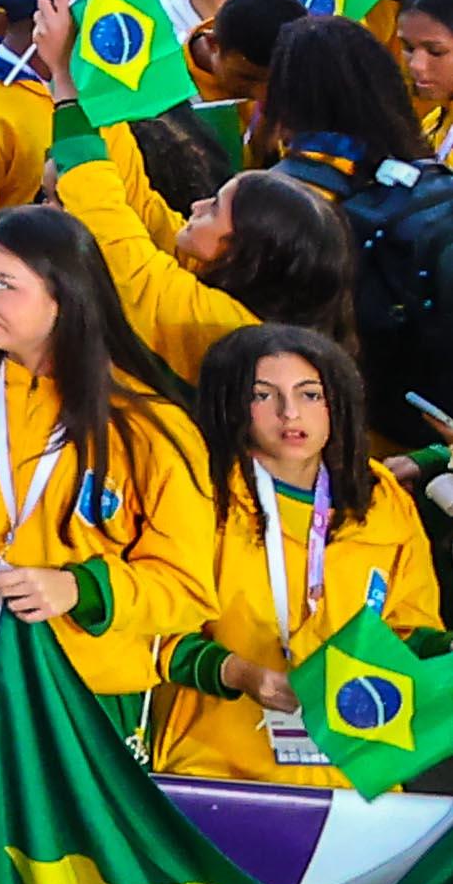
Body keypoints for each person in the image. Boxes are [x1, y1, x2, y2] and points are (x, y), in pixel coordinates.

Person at [0, 202, 215, 706]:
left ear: (64, 295)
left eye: (0, 284)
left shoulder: (148, 428)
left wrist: (79, 589)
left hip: (78, 691)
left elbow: (186, 587)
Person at [152, 322, 440, 785]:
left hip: (353, 773)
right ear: (229, 404)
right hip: (214, 767)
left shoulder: (382, 499)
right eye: (262, 395)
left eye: (310, 395)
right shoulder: (195, 491)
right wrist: (237, 673)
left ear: (338, 404)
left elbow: (409, 628)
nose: (290, 413)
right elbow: (151, 630)